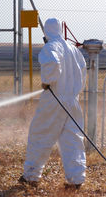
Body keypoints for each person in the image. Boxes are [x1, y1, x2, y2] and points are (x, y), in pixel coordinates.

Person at [19, 18, 87, 187]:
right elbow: (83, 70)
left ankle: (31, 176)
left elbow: (53, 63)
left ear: (47, 32)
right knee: (72, 139)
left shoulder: (51, 47)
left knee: (40, 135)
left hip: (54, 99)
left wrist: (47, 81)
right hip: (73, 101)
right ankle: (76, 179)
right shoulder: (73, 50)